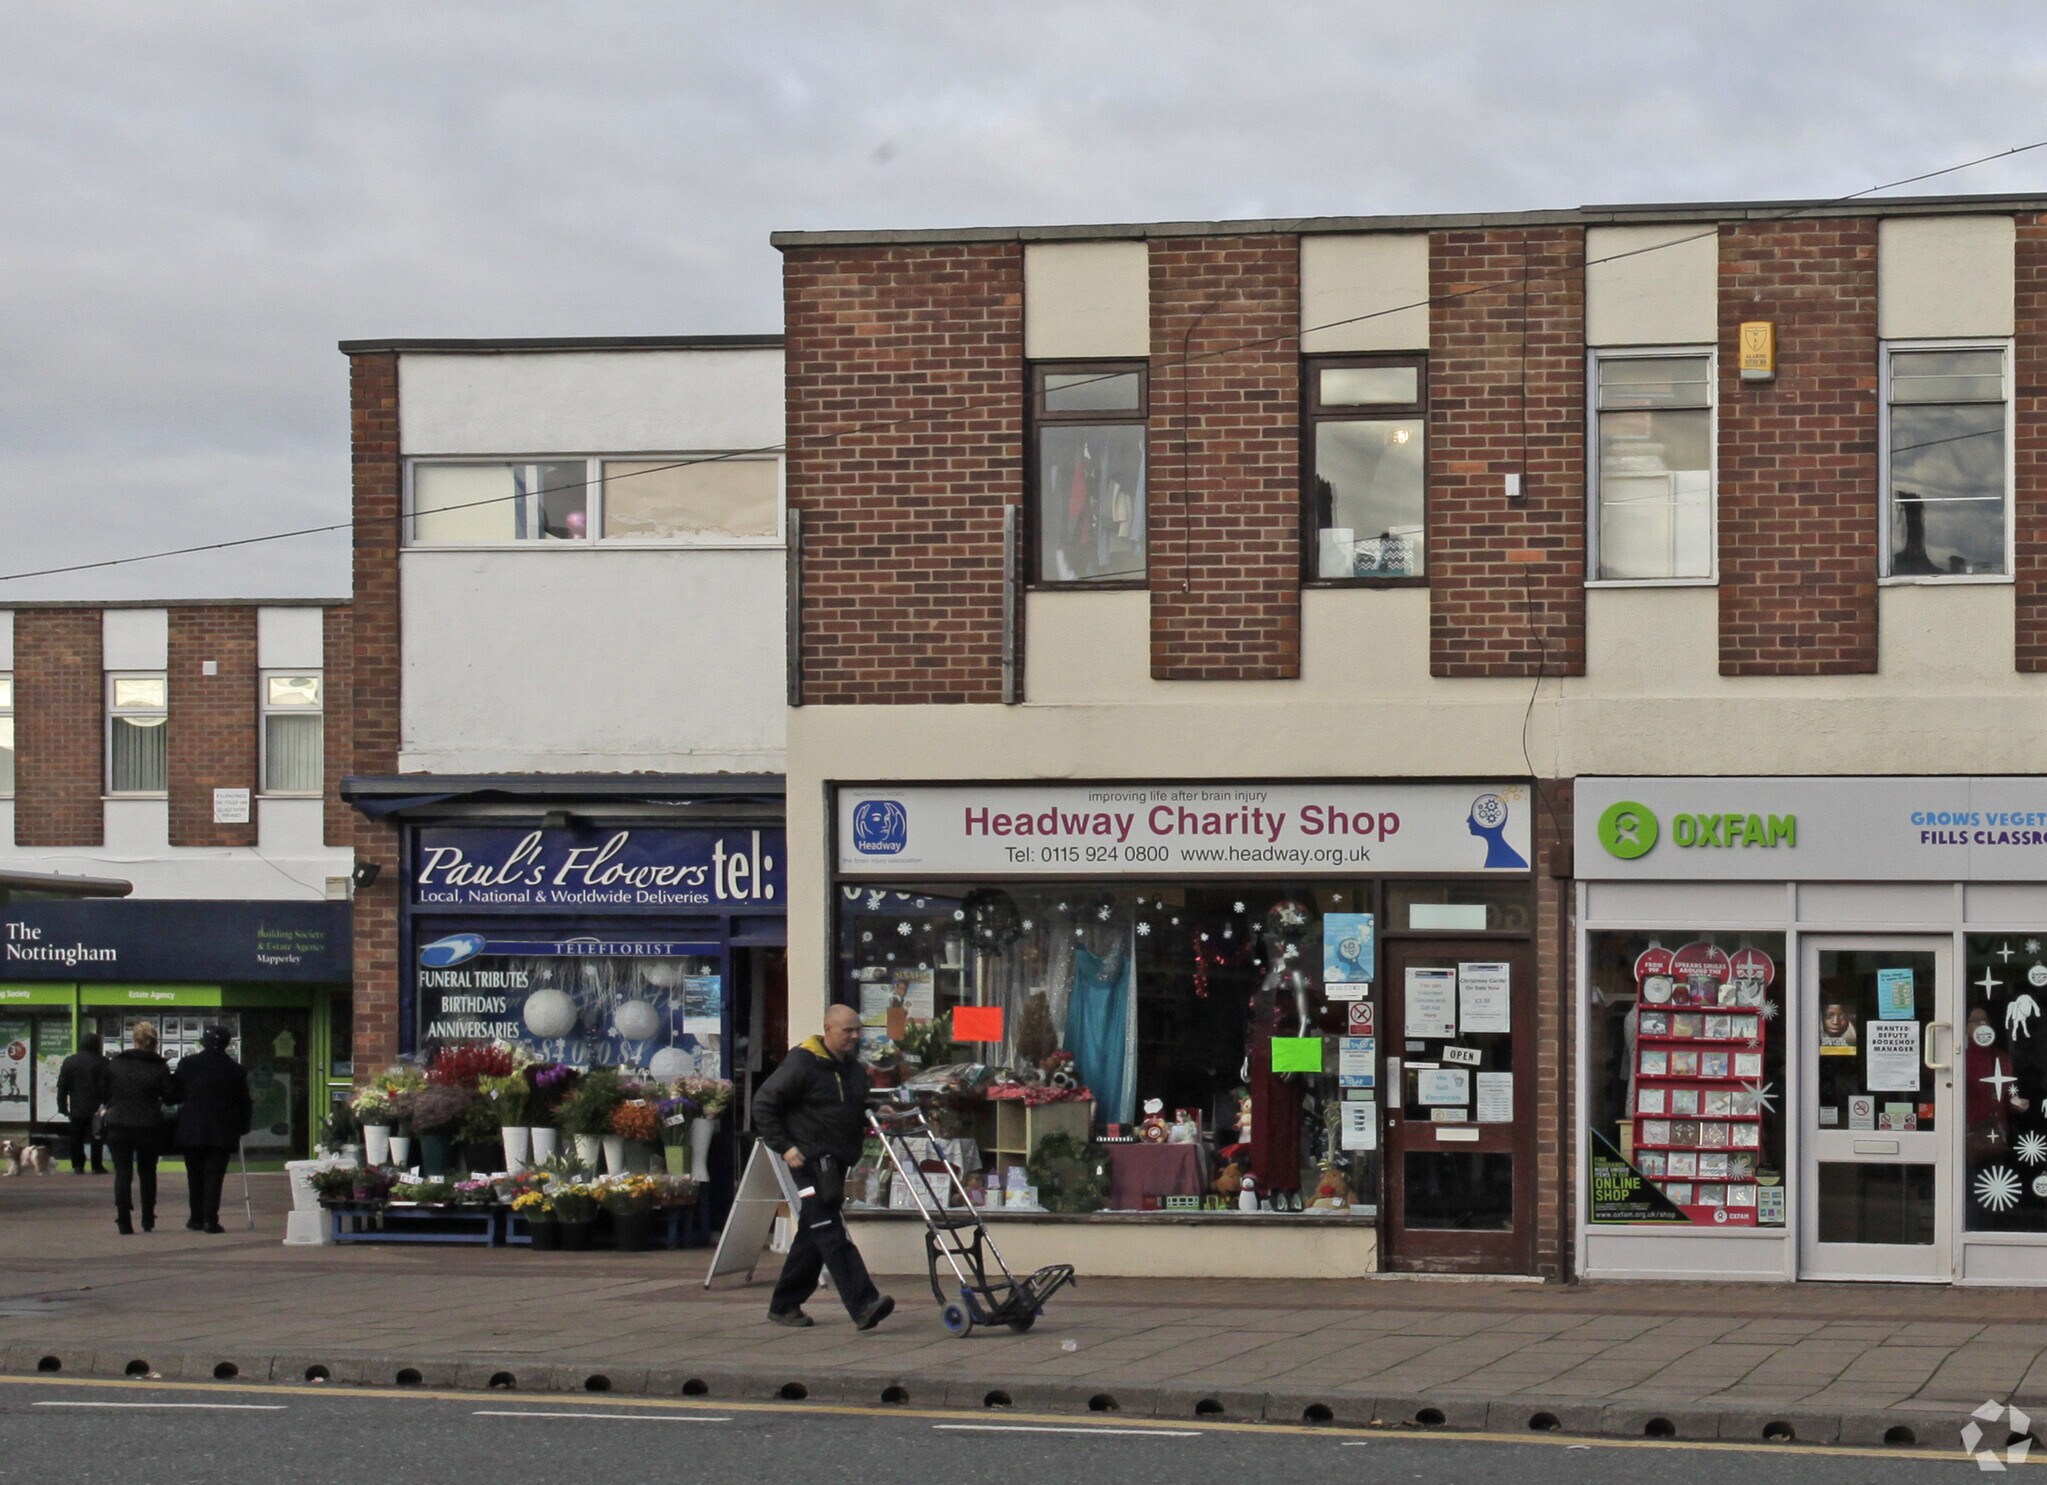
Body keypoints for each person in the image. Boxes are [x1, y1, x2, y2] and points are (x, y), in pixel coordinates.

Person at [751, 1003, 893, 1331]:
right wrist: (786, 1147)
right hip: (808, 1160)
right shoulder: (802, 1063)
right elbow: (764, 1104)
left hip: (836, 1160)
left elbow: (848, 1104)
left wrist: (874, 1108)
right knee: (829, 1229)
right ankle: (863, 1304)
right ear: (828, 1029)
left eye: (858, 1030)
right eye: (848, 1031)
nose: (855, 1037)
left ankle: (784, 1304)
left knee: (813, 1232)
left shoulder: (852, 1068)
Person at [100, 1022, 179, 1235]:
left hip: (118, 1123)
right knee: (147, 1172)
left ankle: (124, 1219)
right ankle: (147, 1218)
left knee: (123, 1173)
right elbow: (170, 1097)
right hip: (149, 1125)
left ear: (134, 1041)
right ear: (155, 1043)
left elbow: (104, 1091)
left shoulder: (116, 1063)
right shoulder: (159, 1066)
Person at [174, 1025, 252, 1233]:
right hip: (222, 1129)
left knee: (195, 1174)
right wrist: (243, 1127)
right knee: (214, 1176)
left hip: (192, 1128)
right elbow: (244, 1102)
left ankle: (195, 1217)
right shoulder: (236, 1070)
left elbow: (175, 1094)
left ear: (203, 1042)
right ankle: (210, 1219)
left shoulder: (188, 1064)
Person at [55, 1033, 109, 1175]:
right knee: (96, 1136)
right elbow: (107, 1086)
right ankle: (97, 1165)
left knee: (76, 1138)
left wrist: (62, 1106)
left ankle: (77, 1165)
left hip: (77, 1107)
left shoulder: (70, 1061)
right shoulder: (103, 1062)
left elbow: (62, 1086)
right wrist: (107, 1103)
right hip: (96, 1108)